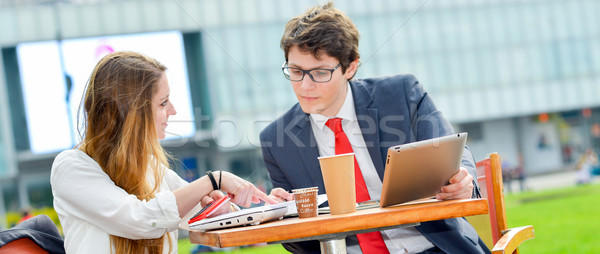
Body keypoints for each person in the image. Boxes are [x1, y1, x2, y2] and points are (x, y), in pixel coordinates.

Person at [261, 3, 490, 253]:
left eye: (319, 73)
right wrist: (283, 214)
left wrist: (463, 179)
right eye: (295, 71)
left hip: (431, 246)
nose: (304, 86)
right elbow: (301, 246)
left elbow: (450, 150)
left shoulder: (401, 94)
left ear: (350, 67)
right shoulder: (276, 140)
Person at [51, 51, 275, 254]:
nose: (173, 110)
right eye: (163, 103)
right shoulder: (71, 167)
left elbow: (200, 214)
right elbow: (140, 220)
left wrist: (259, 206)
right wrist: (215, 180)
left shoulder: (151, 167)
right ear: (131, 112)